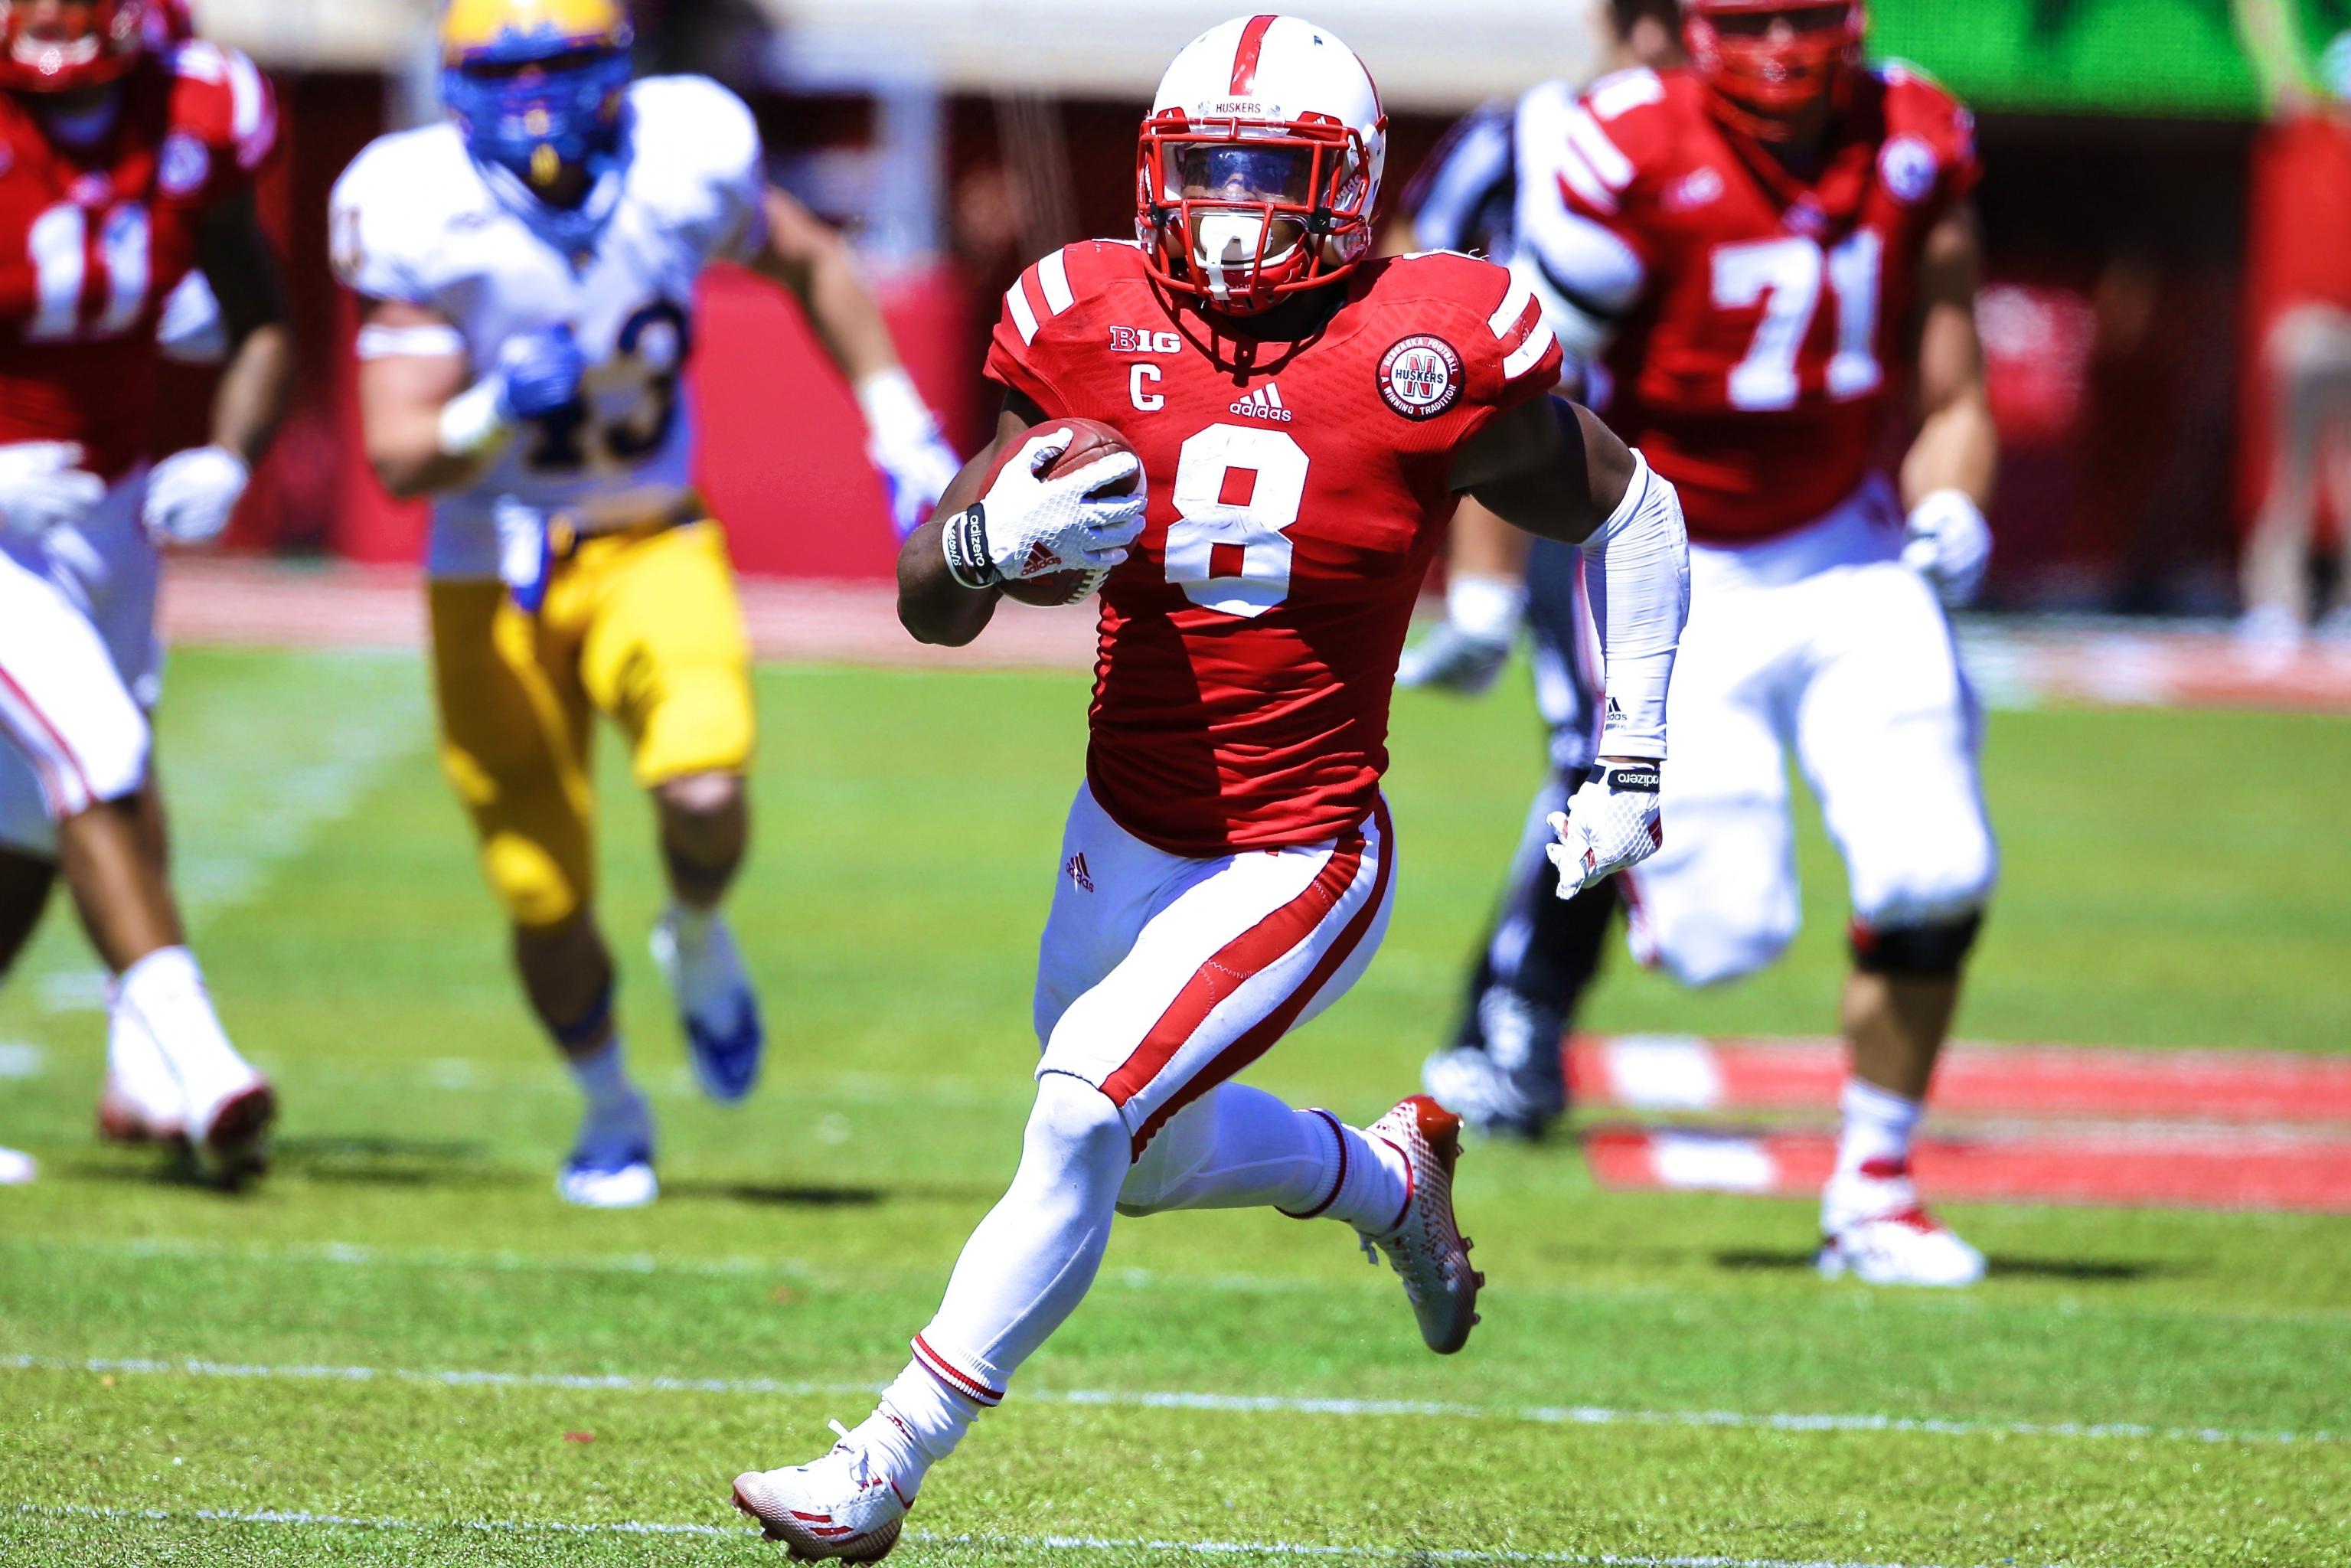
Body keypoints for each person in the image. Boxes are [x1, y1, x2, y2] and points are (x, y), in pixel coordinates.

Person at [728, 15, 1690, 1557]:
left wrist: (1631, 754)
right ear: (1154, 171)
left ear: (1353, 185)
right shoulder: (1081, 313)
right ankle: (1386, 1179)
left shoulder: (1421, 347)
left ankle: (884, 1461)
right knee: (1148, 1154)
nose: (1236, 208)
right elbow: (931, 590)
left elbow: (1635, 512)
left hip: (1299, 850)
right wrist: (985, 546)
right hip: (1121, 832)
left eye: (1274, 171)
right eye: (1208, 169)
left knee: (1080, 1109)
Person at [331, 0, 963, 1207]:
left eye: (559, 65)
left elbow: (812, 257)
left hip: (651, 533)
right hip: (492, 555)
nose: (533, 102)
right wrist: (487, 412)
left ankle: (696, 926)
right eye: (503, 73)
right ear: (457, 85)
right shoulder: (416, 204)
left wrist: (900, 428)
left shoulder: (684, 154)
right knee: (540, 887)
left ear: (615, 68)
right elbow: (400, 455)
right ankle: (611, 1107)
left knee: (707, 785)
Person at [1467, 0, 2001, 1286]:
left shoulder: (1915, 135)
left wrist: (1952, 498)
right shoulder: (1620, 146)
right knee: (1724, 938)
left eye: (1802, 15)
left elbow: (1953, 388)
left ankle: (1872, 1190)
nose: (1776, 45)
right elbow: (1515, 407)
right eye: (1749, 16)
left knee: (1934, 865)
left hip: (1844, 544)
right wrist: (1490, 590)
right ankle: (1652, 853)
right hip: (1669, 554)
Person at [0, 0, 293, 1186]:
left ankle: (152, 1065)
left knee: (27, 817)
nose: (67, 115)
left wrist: (229, 452)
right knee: (99, 746)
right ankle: (200, 1062)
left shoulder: (200, 103)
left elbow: (263, 313)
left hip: (103, 508)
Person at [1396, 0, 1686, 1142]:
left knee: (1651, 775)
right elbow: (1417, 305)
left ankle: (1521, 1020)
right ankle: (1510, 1024)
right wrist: (1475, 568)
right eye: (1659, 18)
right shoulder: (1525, 136)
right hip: (1575, 497)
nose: (1678, 45)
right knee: (1596, 753)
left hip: (1701, 495)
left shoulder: (1763, 155)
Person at [2238, 0, 2351, 646]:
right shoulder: (2307, 132)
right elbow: (2268, 41)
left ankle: (2343, 608)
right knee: (2288, 476)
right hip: (2309, 326)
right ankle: (2276, 604)